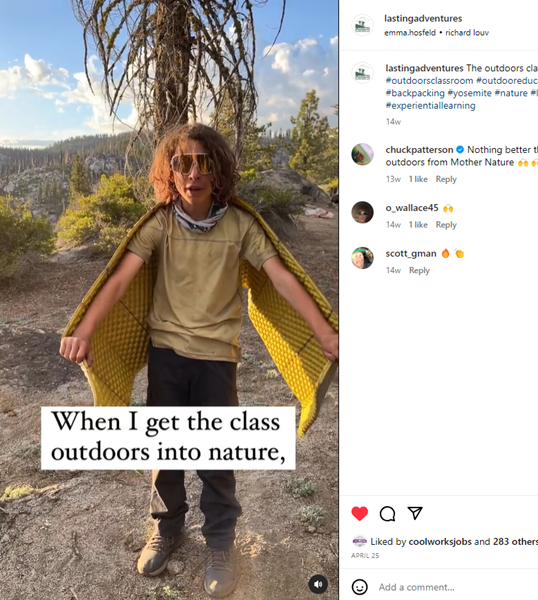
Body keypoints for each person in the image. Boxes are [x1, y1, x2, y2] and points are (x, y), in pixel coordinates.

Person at [59, 123, 339, 598]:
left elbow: (284, 278)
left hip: (216, 358)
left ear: (218, 169)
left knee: (215, 453)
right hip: (166, 353)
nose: (193, 172)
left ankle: (221, 543)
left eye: (203, 162)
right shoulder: (161, 223)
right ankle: (167, 529)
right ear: (170, 171)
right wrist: (84, 327)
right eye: (182, 162)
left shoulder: (240, 226)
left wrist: (326, 331)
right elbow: (121, 278)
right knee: (163, 450)